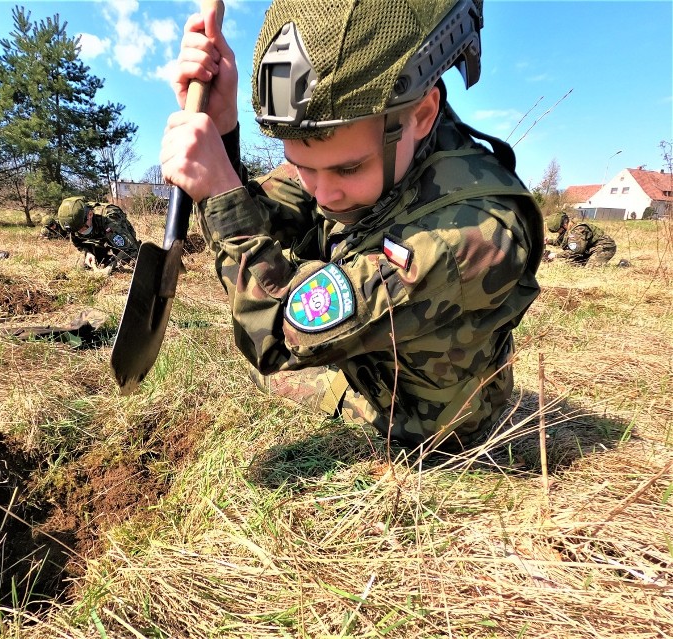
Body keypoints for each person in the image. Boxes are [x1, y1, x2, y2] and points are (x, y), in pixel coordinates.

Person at [161, 0, 544, 451]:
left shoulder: (466, 237)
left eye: (346, 170)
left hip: (424, 431)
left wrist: (221, 195)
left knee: (266, 378)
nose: (322, 194)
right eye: (303, 168)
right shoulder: (373, 143)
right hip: (375, 361)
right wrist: (224, 131)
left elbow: (276, 337)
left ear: (421, 114)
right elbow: (273, 217)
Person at [55, 196, 139, 273]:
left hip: (119, 242)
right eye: (76, 230)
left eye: (82, 228)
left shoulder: (109, 217)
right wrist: (88, 253)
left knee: (133, 263)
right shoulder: (74, 225)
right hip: (98, 243)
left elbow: (131, 249)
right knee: (81, 268)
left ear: (90, 214)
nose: (80, 232)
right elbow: (78, 244)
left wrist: (109, 268)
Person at [544, 212, 617, 266]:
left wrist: (556, 255)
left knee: (591, 269)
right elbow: (561, 241)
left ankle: (622, 265)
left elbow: (576, 251)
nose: (558, 233)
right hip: (590, 249)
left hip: (604, 247)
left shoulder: (578, 230)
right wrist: (548, 241)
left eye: (558, 230)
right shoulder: (568, 229)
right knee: (571, 265)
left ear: (564, 224)